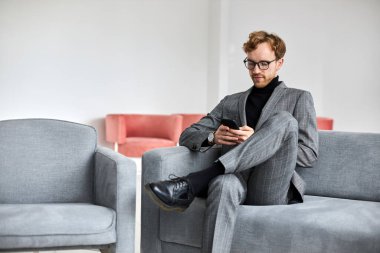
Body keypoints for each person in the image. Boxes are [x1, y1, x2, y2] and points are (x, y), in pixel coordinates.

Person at [145, 31, 319, 253]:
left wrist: (260, 139)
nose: (256, 70)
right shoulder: (231, 102)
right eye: (251, 63)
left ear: (280, 63)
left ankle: (194, 182)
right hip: (234, 179)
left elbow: (309, 154)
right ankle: (207, 181)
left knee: (285, 121)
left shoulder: (299, 98)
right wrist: (213, 137)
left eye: (264, 64)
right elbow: (188, 134)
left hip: (271, 183)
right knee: (222, 184)